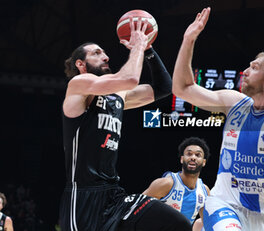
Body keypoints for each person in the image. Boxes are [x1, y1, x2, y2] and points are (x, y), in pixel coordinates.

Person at [172, 7, 264, 231]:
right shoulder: (233, 102)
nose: (245, 71)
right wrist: (188, 40)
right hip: (224, 204)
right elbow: (182, 88)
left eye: (254, 67)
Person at [59, 17, 191, 231]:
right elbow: (129, 78)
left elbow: (164, 88)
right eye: (96, 53)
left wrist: (148, 50)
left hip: (115, 195)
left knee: (178, 223)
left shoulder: (117, 96)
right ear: (80, 64)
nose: (105, 56)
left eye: (104, 52)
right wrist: (138, 43)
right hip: (83, 197)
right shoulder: (78, 86)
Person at [143, 137, 210, 227]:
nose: (193, 157)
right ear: (182, 159)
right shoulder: (166, 184)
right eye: (189, 154)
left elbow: (208, 222)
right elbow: (137, 209)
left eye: (197, 155)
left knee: (200, 224)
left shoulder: (204, 191)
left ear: (204, 162)